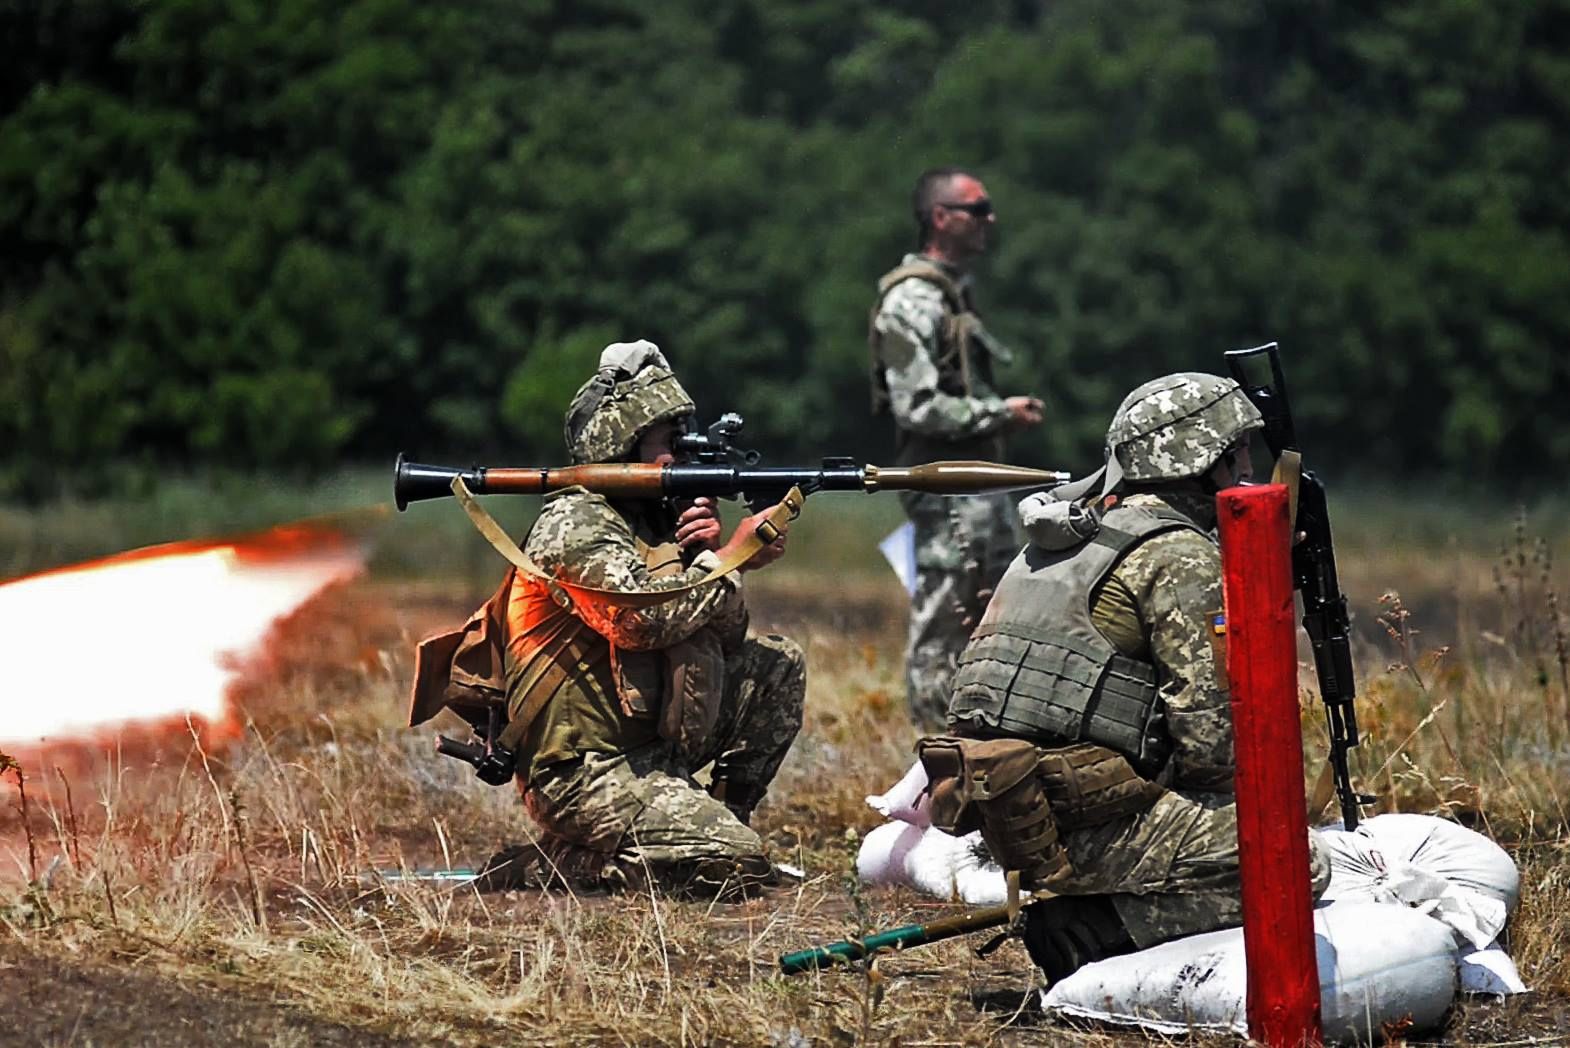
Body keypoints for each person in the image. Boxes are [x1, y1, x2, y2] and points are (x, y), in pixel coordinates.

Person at [917, 372, 1331, 980]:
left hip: (1008, 816)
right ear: (1203, 459)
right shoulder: (1178, 555)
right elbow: (1213, 748)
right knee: (1296, 859)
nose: (1249, 469)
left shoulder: (1060, 539)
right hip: (1081, 826)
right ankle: (1098, 931)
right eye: (1239, 452)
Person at [409, 341, 805, 899]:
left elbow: (722, 636)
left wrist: (707, 556)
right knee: (737, 868)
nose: (679, 456)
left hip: (651, 747)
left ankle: (715, 826)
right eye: (668, 442)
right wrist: (727, 561)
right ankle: (556, 865)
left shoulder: (651, 521)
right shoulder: (577, 522)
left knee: (779, 665)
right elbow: (638, 623)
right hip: (583, 768)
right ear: (621, 442)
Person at [868, 166, 1045, 730]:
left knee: (991, 616)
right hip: (944, 491)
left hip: (978, 486)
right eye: (977, 208)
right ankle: (934, 767)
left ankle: (979, 753)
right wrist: (1000, 413)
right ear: (941, 218)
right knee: (945, 623)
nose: (990, 219)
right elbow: (916, 407)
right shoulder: (912, 302)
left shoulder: (952, 294)